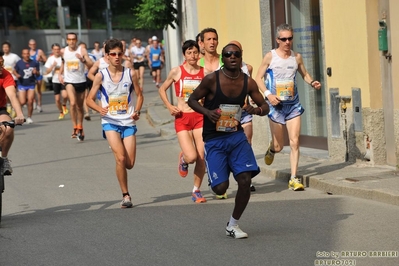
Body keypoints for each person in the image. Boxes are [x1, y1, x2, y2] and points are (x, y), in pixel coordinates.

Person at [188, 43, 269, 238]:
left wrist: (256, 110)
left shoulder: (248, 83)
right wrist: (207, 112)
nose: (232, 57)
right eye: (228, 54)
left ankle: (233, 224)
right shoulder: (211, 80)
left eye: (236, 54)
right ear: (223, 58)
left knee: (244, 180)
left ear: (241, 57)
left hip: (236, 136)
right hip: (214, 139)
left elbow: (264, 106)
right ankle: (220, 169)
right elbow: (191, 100)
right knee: (220, 188)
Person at [255, 23, 321, 191]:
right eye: (283, 39)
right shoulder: (270, 56)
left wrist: (312, 82)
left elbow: (304, 74)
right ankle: (272, 148)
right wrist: (269, 95)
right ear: (277, 40)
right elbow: (258, 78)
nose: (287, 42)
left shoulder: (296, 57)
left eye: (290, 38)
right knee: (279, 146)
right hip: (275, 106)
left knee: (295, 142)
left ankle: (293, 177)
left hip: (293, 106)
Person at [86, 38, 143, 208]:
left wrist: (137, 111)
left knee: (129, 163)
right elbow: (89, 99)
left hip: (128, 121)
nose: (117, 57)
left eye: (119, 53)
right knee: (120, 158)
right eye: (113, 54)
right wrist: (99, 109)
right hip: (110, 121)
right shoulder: (101, 75)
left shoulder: (130, 73)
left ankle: (120, 156)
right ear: (107, 56)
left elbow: (139, 95)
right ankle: (126, 195)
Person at [158, 40, 206, 203]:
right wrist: (169, 106)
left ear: (199, 54)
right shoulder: (176, 72)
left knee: (201, 156)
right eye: (189, 52)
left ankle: (196, 190)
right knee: (191, 156)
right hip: (183, 118)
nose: (193, 55)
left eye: (195, 52)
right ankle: (183, 159)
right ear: (184, 55)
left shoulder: (205, 72)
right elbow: (162, 89)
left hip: (199, 117)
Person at [229, 40, 256, 192]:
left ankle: (247, 179)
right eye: (231, 52)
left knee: (247, 142)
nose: (234, 55)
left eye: (237, 52)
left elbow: (250, 87)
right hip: (230, 113)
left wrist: (251, 100)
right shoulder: (222, 69)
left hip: (245, 112)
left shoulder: (248, 68)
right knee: (230, 145)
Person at [59, 32, 93, 141]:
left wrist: (82, 60)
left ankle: (80, 126)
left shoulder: (82, 50)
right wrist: (60, 74)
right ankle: (74, 126)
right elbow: (63, 64)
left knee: (79, 106)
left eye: (73, 39)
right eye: (69, 39)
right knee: (72, 103)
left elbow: (91, 65)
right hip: (69, 81)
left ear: (76, 40)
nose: (71, 41)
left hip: (81, 81)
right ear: (67, 41)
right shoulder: (63, 51)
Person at [0, 51, 25, 175]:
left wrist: (19, 114)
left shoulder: (5, 75)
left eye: (1, 64)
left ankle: (3, 159)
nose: (1, 68)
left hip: (0, 109)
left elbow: (12, 96)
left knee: (8, 127)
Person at [13, 48, 40, 124]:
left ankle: (29, 117)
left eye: (27, 53)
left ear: (29, 54)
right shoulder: (19, 63)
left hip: (31, 83)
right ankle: (17, 112)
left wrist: (36, 72)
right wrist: (16, 74)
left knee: (30, 100)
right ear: (22, 55)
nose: (26, 55)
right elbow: (14, 70)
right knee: (22, 101)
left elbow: (38, 73)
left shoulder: (34, 63)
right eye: (24, 54)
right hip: (22, 84)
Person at [44, 43, 69, 120]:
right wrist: (52, 66)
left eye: (58, 49)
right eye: (55, 49)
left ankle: (64, 104)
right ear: (52, 50)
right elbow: (46, 72)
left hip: (64, 79)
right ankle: (61, 112)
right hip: (55, 80)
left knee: (65, 95)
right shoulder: (50, 59)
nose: (57, 51)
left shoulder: (64, 57)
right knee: (57, 99)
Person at [2, 41, 20, 118]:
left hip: (13, 78)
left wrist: (16, 72)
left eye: (7, 47)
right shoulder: (1, 57)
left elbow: (20, 64)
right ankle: (8, 106)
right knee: (5, 95)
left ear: (9, 48)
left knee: (12, 94)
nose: (5, 48)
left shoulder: (14, 56)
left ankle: (13, 108)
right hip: (3, 78)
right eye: (4, 47)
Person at [28, 39, 47, 113]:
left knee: (38, 89)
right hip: (31, 73)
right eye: (31, 44)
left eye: (34, 44)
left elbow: (46, 60)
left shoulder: (39, 51)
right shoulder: (28, 53)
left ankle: (39, 104)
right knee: (32, 89)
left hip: (39, 72)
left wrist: (41, 59)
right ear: (29, 45)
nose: (33, 46)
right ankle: (34, 101)